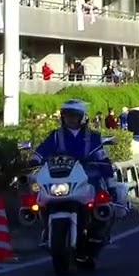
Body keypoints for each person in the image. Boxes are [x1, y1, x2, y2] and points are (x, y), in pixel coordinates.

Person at [29, 99, 115, 241]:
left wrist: (109, 177)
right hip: (61, 174)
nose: (71, 119)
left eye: (74, 115)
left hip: (86, 173)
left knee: (101, 194)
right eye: (67, 115)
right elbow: (43, 149)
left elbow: (101, 156)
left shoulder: (93, 136)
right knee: (38, 193)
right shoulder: (56, 135)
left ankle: (97, 226)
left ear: (82, 117)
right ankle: (45, 228)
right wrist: (34, 159)